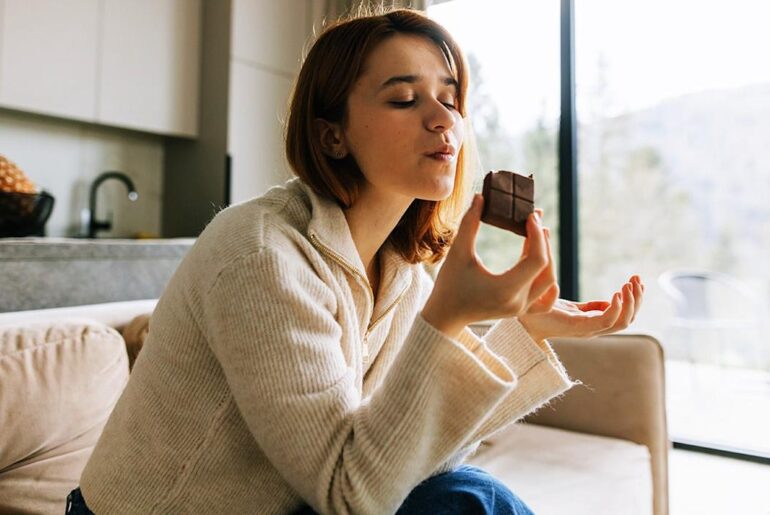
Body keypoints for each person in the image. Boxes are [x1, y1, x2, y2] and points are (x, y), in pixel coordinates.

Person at [68, 7, 644, 515]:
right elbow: (350, 496)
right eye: (403, 98)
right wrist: (445, 320)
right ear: (333, 136)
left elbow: (413, 458)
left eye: (450, 98)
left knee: (461, 491)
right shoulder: (262, 255)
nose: (443, 119)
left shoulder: (400, 272)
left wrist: (522, 330)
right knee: (467, 498)